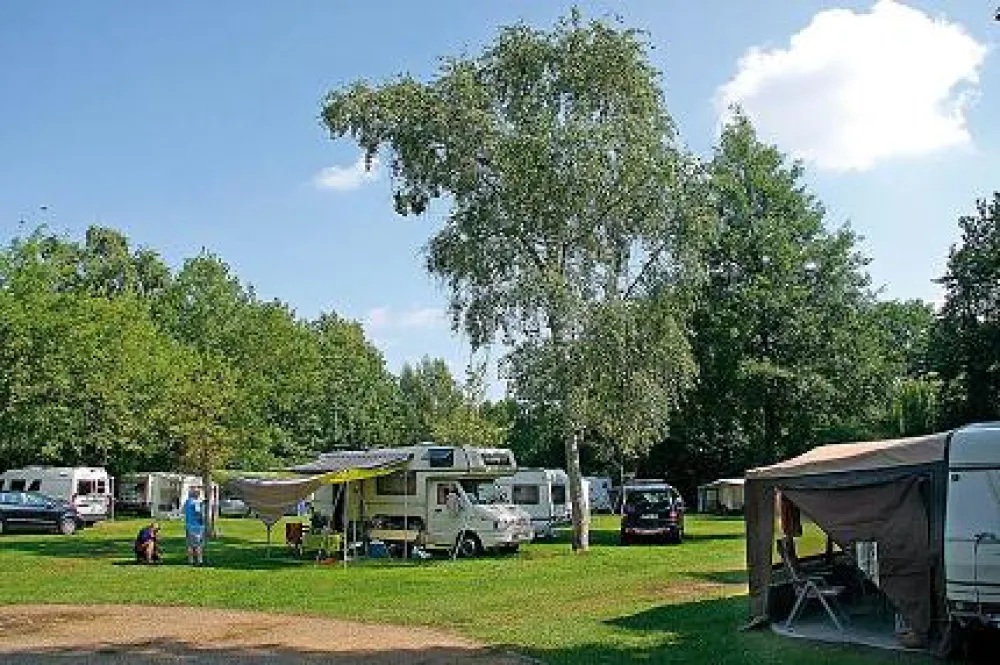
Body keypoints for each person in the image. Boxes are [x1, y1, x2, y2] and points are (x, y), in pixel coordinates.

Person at [183, 486, 206, 566]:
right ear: (197, 495)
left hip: (188, 526)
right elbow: (198, 514)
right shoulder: (196, 503)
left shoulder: (187, 502)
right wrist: (202, 522)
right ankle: (199, 561)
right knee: (198, 545)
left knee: (189, 545)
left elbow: (184, 512)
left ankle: (191, 560)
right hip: (197, 527)